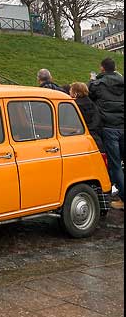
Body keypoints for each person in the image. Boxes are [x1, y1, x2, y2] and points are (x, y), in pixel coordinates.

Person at [89, 58, 124, 211]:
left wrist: (93, 79)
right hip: (123, 125)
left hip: (109, 128)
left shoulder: (98, 84)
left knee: (115, 165)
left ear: (102, 69)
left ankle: (123, 198)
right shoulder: (122, 81)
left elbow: (88, 93)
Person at [69, 82, 104, 152]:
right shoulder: (92, 104)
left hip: (78, 139)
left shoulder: (73, 106)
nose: (69, 92)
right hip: (95, 139)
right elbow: (97, 121)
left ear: (75, 93)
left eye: (70, 90)